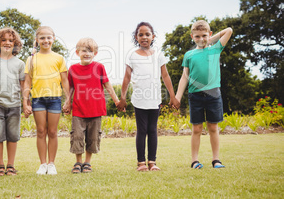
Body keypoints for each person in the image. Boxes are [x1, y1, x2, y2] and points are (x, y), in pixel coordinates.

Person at [117, 22, 180, 172]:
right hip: (139, 99)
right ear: (136, 37)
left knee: (152, 130)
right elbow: (126, 77)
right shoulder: (132, 55)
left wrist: (173, 96)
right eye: (141, 34)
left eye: (147, 34)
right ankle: (141, 163)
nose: (144, 37)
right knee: (142, 130)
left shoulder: (158, 54)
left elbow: (165, 75)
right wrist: (122, 98)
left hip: (155, 99)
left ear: (153, 36)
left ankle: (152, 162)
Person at [176, 20, 232, 169]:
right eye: (197, 36)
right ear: (192, 37)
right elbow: (184, 77)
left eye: (204, 36)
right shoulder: (189, 55)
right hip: (195, 95)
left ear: (210, 35)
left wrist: (208, 40)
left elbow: (229, 30)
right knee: (197, 129)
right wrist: (177, 97)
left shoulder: (215, 49)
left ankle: (216, 160)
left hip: (213, 94)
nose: (201, 39)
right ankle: (195, 161)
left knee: (213, 128)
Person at [64, 38, 121, 174]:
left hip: (96, 109)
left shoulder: (99, 67)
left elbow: (107, 85)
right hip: (78, 109)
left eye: (90, 51)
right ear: (78, 52)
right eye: (84, 50)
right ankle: (78, 162)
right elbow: (70, 88)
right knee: (77, 136)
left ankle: (87, 163)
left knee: (93, 137)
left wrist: (117, 101)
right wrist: (67, 102)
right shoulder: (73, 69)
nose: (87, 53)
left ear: (95, 53)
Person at [23, 26, 70, 175]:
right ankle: (42, 164)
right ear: (37, 40)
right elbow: (27, 82)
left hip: (55, 99)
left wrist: (68, 99)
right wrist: (25, 102)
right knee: (41, 131)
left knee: (53, 131)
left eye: (49, 37)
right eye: (42, 38)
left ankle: (51, 164)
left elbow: (65, 81)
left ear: (53, 39)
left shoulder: (59, 58)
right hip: (38, 99)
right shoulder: (31, 59)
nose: (46, 40)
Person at [0, 27, 25, 176]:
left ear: (15, 43)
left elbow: (23, 87)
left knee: (13, 136)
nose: (7, 43)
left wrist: (26, 104)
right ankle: (0, 166)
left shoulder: (20, 64)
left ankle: (10, 166)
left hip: (14, 104)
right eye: (4, 40)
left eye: (11, 40)